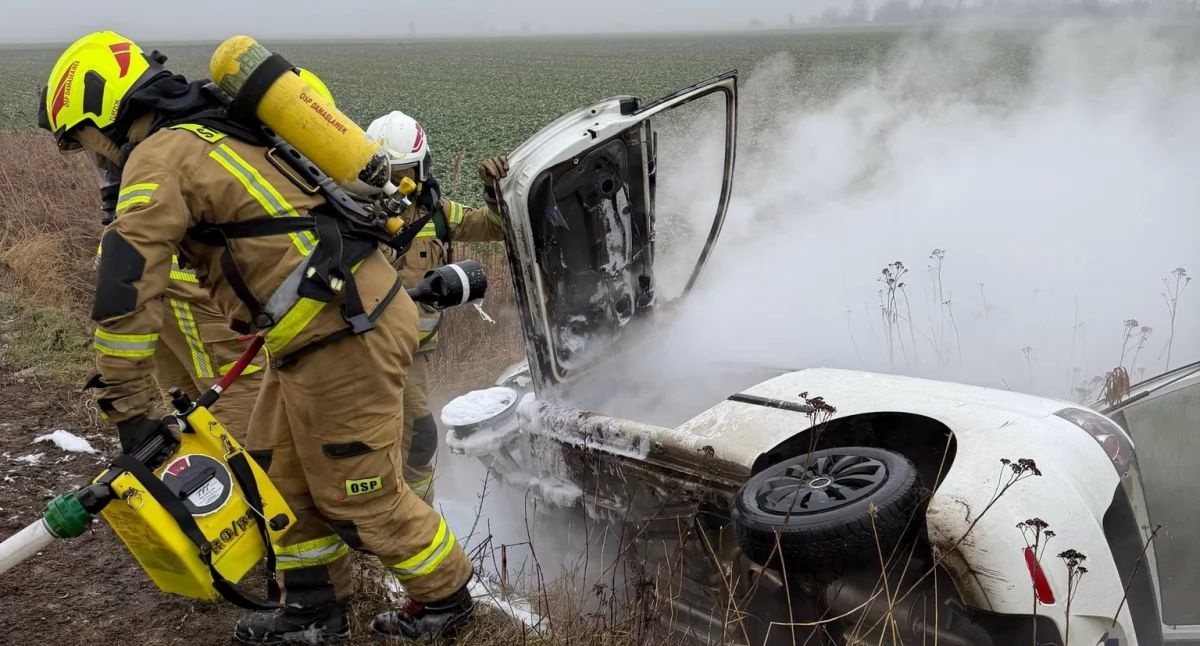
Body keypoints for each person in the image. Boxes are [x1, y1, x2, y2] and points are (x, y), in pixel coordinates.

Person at [41, 31, 475, 643]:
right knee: (278, 476)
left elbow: (128, 288)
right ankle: (311, 610)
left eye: (82, 138)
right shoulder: (209, 128)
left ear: (103, 106)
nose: (94, 156)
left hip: (344, 330)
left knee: (360, 493)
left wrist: (133, 411)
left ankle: (447, 599)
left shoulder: (159, 157)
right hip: (319, 329)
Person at [90, 67, 332, 444]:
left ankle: (208, 482)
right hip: (189, 284)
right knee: (240, 400)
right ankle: (248, 484)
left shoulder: (185, 141)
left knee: (188, 400)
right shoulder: (249, 156)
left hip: (165, 276)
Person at [365, 110, 509, 503]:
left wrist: (494, 190)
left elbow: (494, 225)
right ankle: (409, 519)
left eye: (406, 172)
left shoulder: (438, 213)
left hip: (413, 353)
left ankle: (414, 513)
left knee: (415, 438)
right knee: (398, 435)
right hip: (367, 349)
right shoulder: (356, 217)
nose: (399, 184)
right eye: (390, 175)